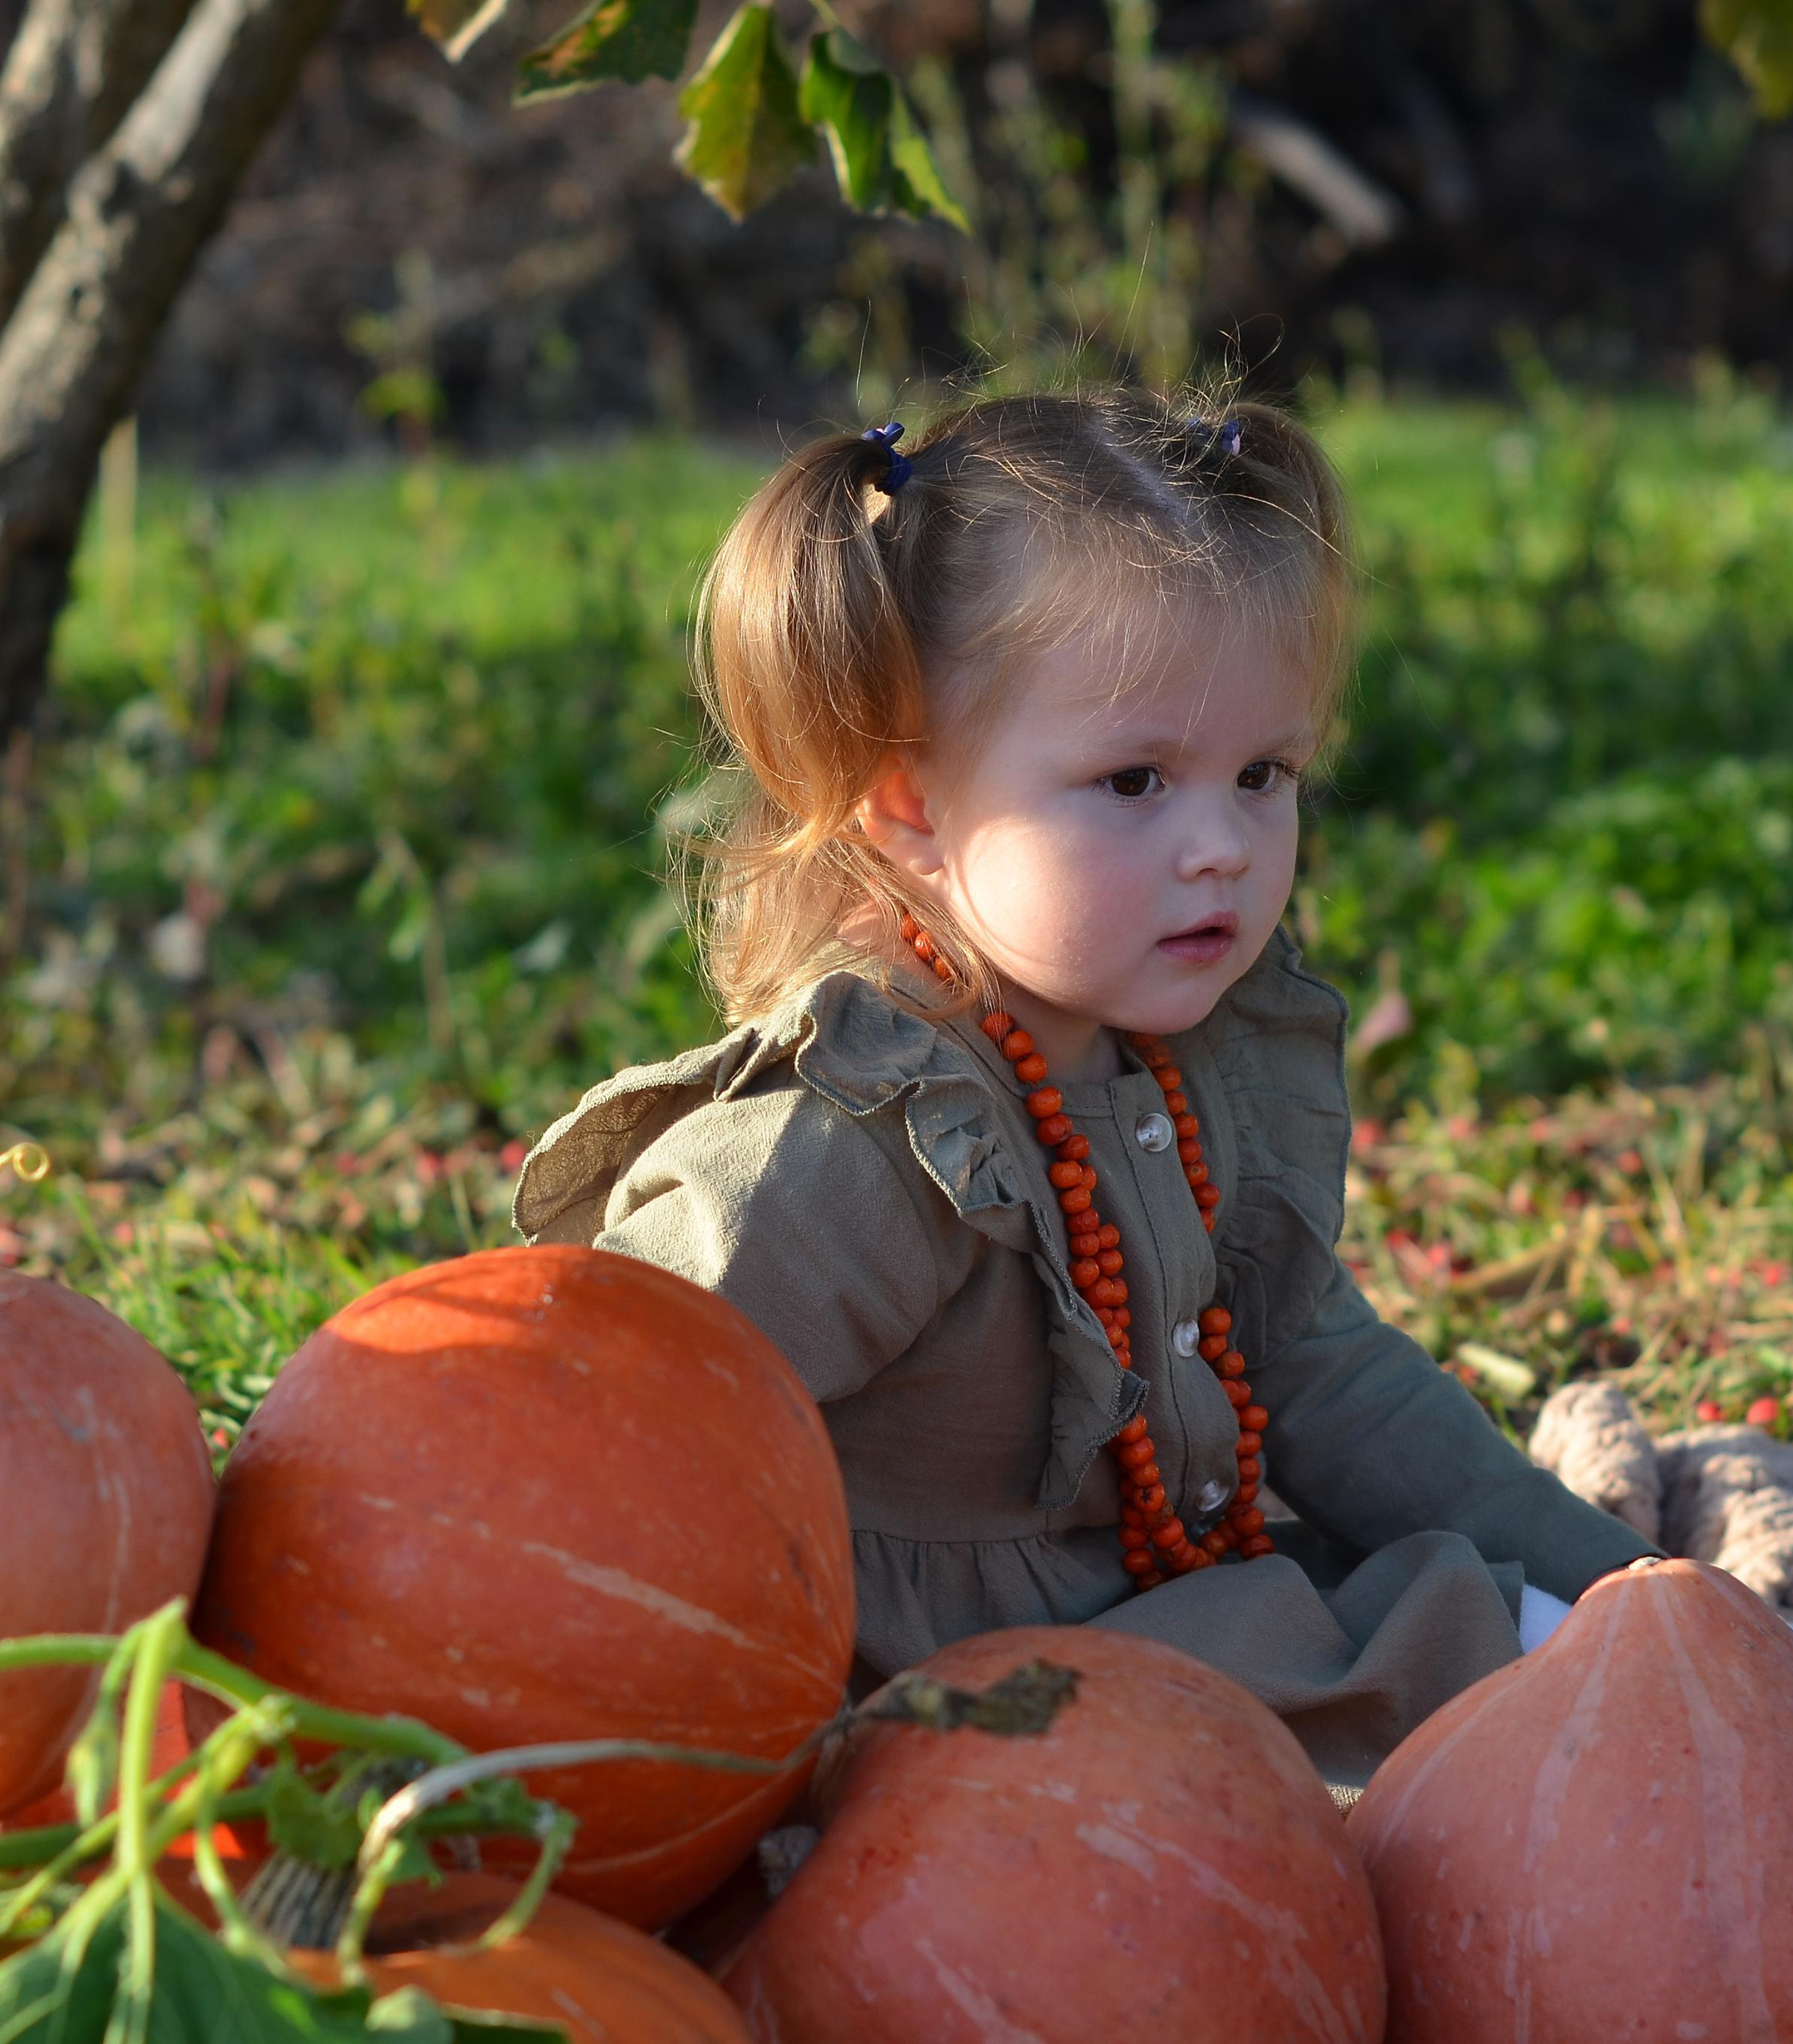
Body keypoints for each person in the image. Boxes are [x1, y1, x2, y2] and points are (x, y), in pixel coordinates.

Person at [513, 388, 1655, 1790]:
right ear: (912, 805)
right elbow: (605, 1399)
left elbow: (1322, 1373)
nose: (1222, 845)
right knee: (1407, 1639)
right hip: (937, 1720)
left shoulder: (1184, 1070)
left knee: (1447, 1585)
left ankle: (1635, 1662)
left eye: (1262, 774)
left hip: (1143, 1621)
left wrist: (1631, 1582)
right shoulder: (866, 1142)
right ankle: (1599, 1696)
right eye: (1133, 781)